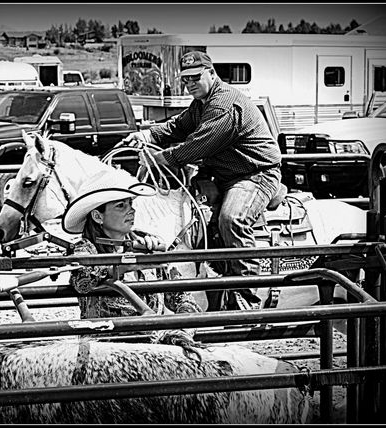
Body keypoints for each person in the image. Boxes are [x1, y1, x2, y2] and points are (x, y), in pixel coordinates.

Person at [124, 50, 283, 312]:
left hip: (255, 175)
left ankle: (247, 299)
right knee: (186, 213)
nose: (189, 84)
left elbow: (199, 145)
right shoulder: (201, 104)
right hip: (223, 175)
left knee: (233, 219)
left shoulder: (224, 104)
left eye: (195, 77)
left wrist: (162, 157)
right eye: (185, 80)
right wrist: (147, 136)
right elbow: (177, 126)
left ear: (211, 73)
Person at [62, 169, 203, 345]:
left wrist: (181, 331)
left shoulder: (147, 243)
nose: (132, 210)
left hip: (151, 350)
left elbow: (183, 297)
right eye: (121, 205)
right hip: (104, 353)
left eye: (130, 203)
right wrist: (129, 263)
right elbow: (82, 281)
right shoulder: (85, 249)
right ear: (98, 216)